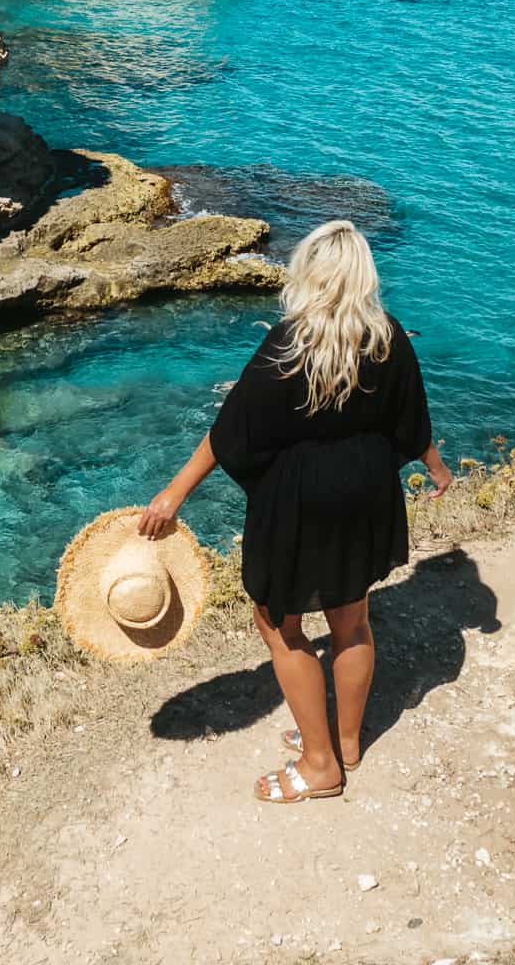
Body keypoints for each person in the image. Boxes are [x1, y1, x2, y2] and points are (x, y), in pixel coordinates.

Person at [139, 219, 452, 806]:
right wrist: (436, 468)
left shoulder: (289, 343)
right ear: (364, 276)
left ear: (307, 272)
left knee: (281, 625)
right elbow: (411, 421)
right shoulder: (388, 338)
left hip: (302, 500)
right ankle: (347, 742)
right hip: (366, 490)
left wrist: (174, 493)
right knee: (352, 619)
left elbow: (232, 431)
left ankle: (318, 763)